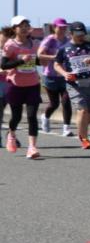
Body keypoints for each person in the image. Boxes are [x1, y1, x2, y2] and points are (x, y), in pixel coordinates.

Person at [53, 21, 90, 149]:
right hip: (74, 84)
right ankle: (84, 138)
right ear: (71, 34)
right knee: (82, 110)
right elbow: (56, 64)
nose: (81, 36)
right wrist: (64, 73)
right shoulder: (64, 48)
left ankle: (82, 129)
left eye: (83, 33)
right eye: (78, 33)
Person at [1, 16, 43, 158]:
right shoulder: (10, 45)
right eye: (21, 26)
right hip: (16, 84)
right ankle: (11, 134)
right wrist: (20, 61)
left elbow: (37, 61)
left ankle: (32, 147)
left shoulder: (35, 43)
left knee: (32, 116)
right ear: (15, 29)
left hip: (33, 84)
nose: (24, 28)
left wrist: (41, 60)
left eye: (26, 25)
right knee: (16, 117)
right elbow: (4, 65)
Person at [38, 18, 73, 136]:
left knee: (66, 101)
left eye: (64, 27)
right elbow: (39, 54)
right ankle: (45, 117)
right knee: (54, 104)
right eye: (60, 27)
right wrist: (55, 57)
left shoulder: (69, 41)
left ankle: (66, 128)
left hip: (64, 74)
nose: (63, 29)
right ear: (54, 27)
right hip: (50, 75)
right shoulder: (50, 40)